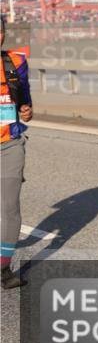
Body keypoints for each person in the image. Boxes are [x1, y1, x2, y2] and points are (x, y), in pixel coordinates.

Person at [1, 16, 32, 289]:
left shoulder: (16, 63)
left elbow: (26, 102)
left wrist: (26, 110)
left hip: (10, 145)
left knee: (10, 208)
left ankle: (3, 269)